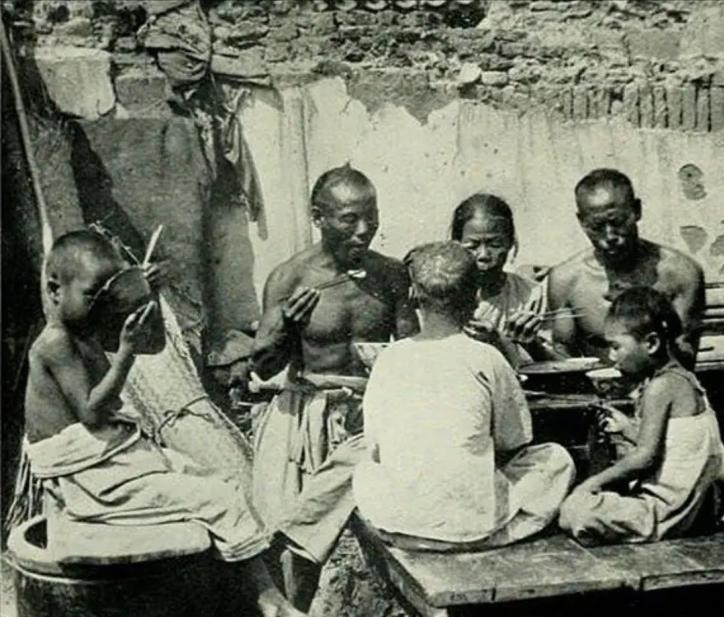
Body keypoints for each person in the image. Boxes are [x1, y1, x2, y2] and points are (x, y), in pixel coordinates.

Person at [24, 230, 303, 617]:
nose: (101, 306)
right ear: (55, 290)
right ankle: (266, 598)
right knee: (216, 499)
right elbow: (92, 411)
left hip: (108, 458)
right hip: (88, 476)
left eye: (108, 296)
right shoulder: (56, 342)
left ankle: (254, 592)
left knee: (218, 481)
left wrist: (147, 297)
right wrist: (124, 353)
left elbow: (152, 345)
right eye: (91, 295)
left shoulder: (84, 328)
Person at [250, 164, 418, 609]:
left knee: (371, 542)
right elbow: (264, 366)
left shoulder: (391, 276)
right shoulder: (289, 279)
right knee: (292, 537)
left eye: (371, 218)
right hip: (304, 420)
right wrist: (286, 327)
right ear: (318, 217)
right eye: (349, 219)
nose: (363, 231)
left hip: (369, 420)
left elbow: (411, 351)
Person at [353, 241, 575, 550]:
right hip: (469, 528)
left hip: (398, 525)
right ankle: (491, 532)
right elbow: (513, 441)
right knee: (556, 459)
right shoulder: (487, 357)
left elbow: (376, 448)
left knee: (364, 468)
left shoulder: (389, 358)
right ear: (476, 297)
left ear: (413, 295)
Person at [559, 287, 723, 545]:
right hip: (698, 504)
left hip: (667, 509)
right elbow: (673, 445)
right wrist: (628, 429)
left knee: (574, 510)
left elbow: (645, 458)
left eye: (616, 347)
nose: (611, 356)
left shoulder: (661, 387)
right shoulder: (685, 378)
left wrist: (590, 484)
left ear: (651, 343)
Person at [547, 169, 705, 367]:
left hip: (661, 382)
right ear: (582, 222)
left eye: (618, 222)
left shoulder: (680, 273)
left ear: (637, 210)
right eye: (596, 227)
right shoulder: (566, 280)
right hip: (592, 384)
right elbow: (564, 356)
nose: (609, 236)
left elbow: (685, 357)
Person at [450, 192, 559, 367]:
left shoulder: (531, 295)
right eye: (472, 246)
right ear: (456, 244)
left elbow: (557, 365)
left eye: (495, 244)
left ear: (510, 243)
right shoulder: (441, 294)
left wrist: (526, 343)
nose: (484, 255)